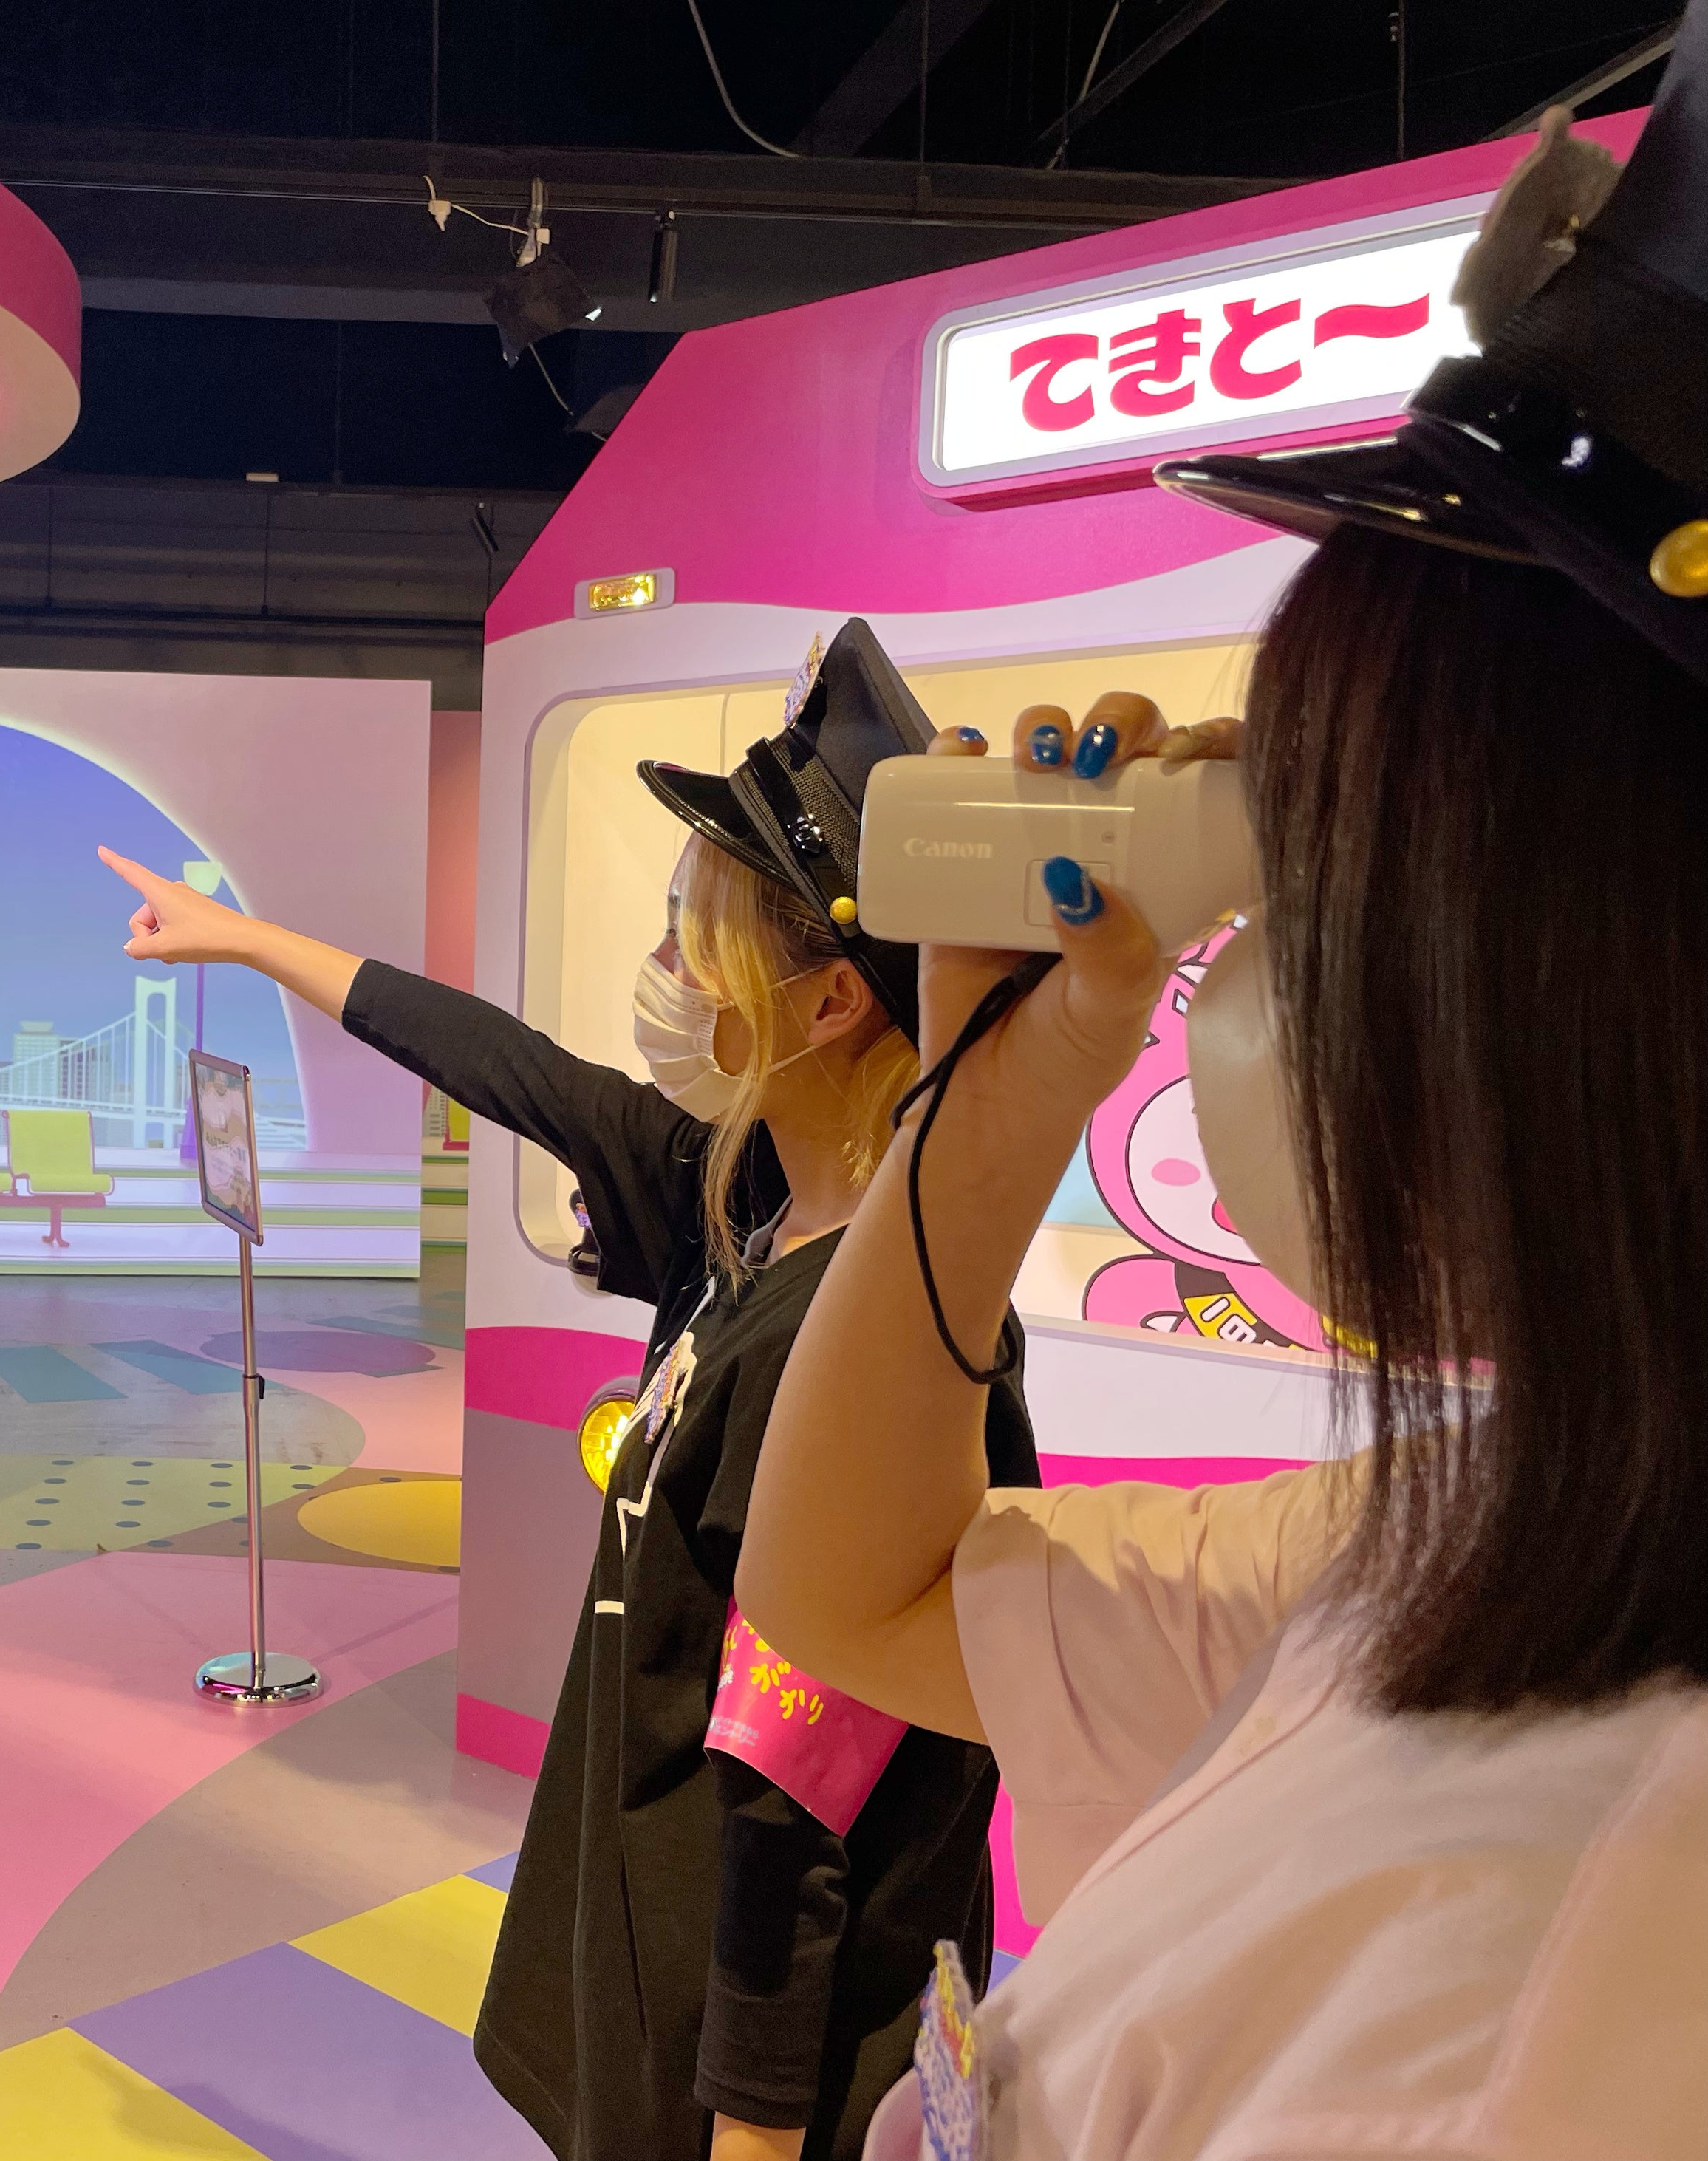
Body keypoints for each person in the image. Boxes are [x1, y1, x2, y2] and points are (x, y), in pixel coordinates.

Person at [734, 30, 1708, 2156]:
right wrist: (1016, 1079)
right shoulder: (1485, 1534)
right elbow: (850, 1584)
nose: (1279, 982)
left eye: (1338, 869)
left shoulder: (1545, 1996)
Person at [100, 619, 1040, 2161]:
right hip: (654, 1966)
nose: (667, 974)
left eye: (697, 938)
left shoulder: (866, 1341)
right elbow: (507, 1063)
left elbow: (798, 1809)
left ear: (828, 1005)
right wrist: (250, 940)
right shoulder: (740, 1196)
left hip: (752, 2064)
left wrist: (748, 2137)